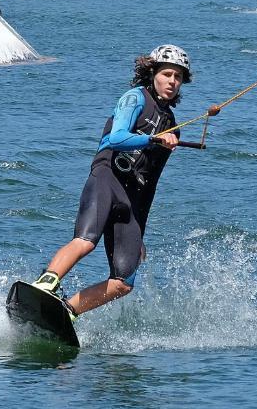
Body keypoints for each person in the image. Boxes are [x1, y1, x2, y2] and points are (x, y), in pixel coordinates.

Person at [31, 45, 220, 320]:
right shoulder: (135, 98)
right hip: (108, 177)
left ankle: (67, 311)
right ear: (152, 73)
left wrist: (140, 232)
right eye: (167, 74)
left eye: (178, 77)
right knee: (86, 241)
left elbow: (151, 183)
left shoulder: (172, 124)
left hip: (134, 198)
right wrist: (154, 138)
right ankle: (45, 284)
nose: (172, 81)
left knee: (124, 282)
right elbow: (116, 138)